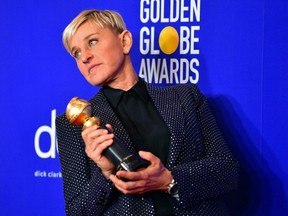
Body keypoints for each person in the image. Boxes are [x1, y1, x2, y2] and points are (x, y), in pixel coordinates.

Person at [56, 9, 239, 216]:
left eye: (92, 42)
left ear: (125, 41)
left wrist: (169, 180)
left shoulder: (186, 97)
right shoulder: (72, 125)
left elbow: (228, 170)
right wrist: (105, 173)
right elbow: (78, 213)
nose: (85, 57)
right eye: (76, 53)